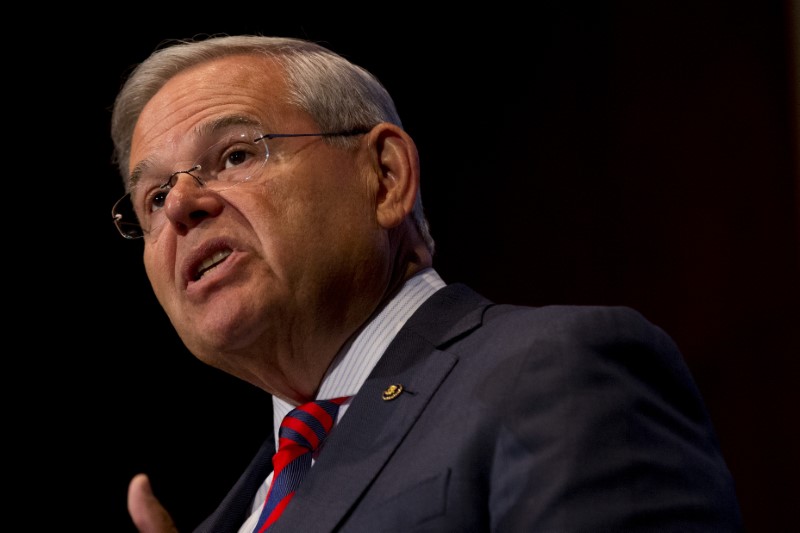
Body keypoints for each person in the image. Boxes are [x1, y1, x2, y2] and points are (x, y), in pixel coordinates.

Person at [110, 34, 743, 532]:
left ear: (384, 177)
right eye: (155, 194)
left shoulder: (558, 369)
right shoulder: (236, 510)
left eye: (237, 155)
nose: (180, 205)